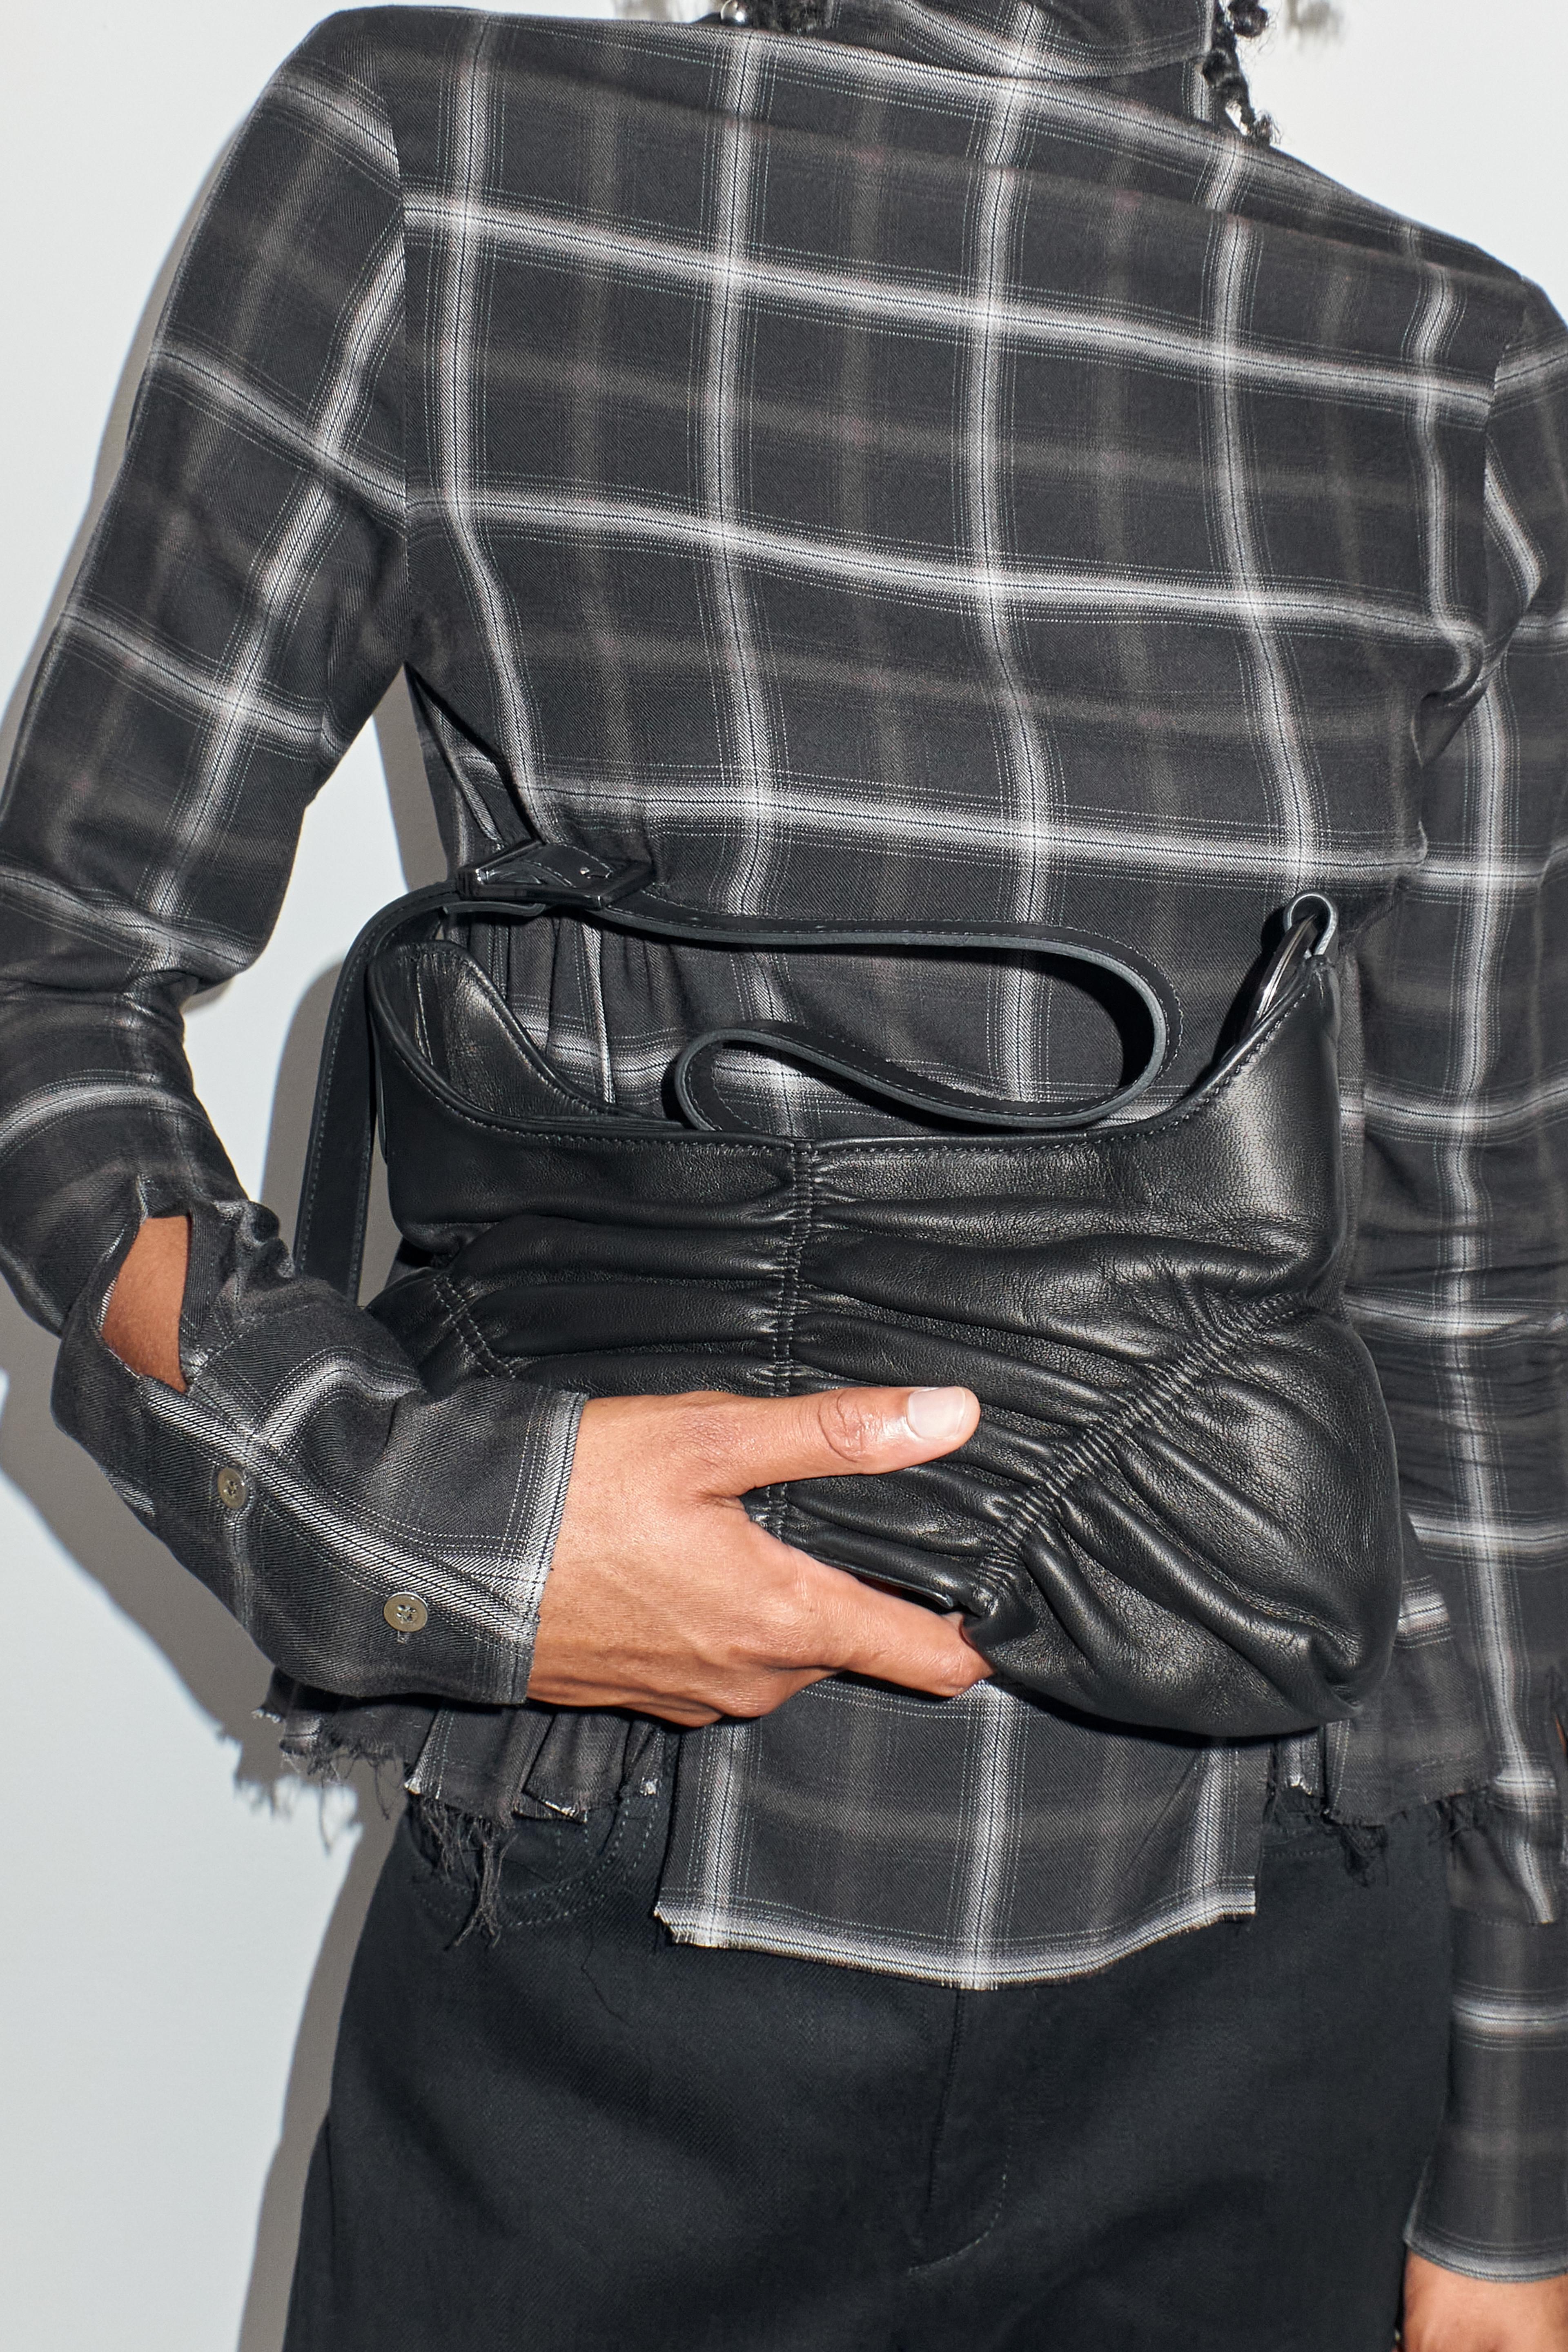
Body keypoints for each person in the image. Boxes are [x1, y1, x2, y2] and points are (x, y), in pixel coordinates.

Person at [2, 0, 1566, 2343]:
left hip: (1276, 2011)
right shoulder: (440, 168)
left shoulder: (1462, 379)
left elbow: (1484, 1299)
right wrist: (415, 1524)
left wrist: (1515, 2161)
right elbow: (49, 981)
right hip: (612, 1993)